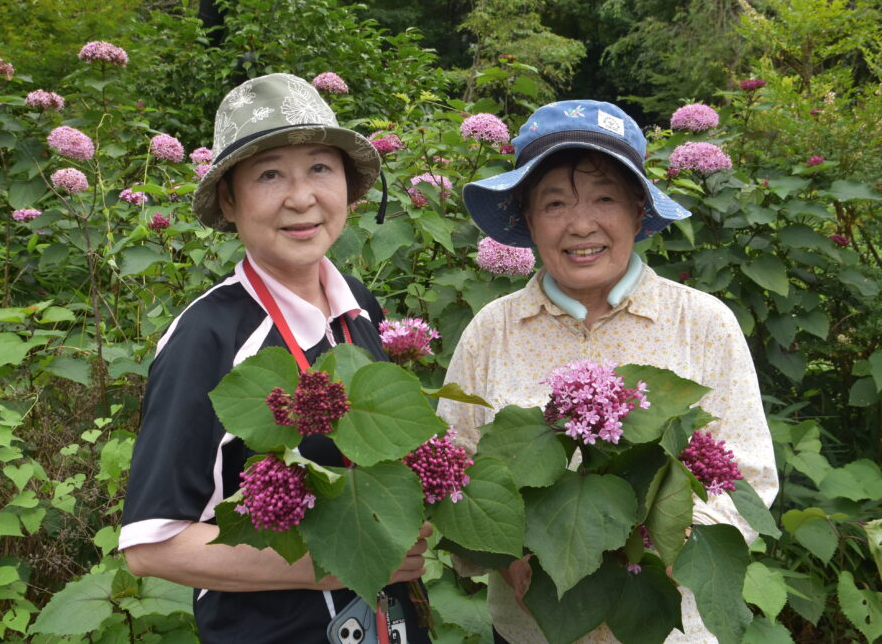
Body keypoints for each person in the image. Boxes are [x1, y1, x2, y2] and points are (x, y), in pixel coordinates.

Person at [438, 100, 779, 643]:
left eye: (605, 198)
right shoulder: (492, 330)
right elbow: (451, 473)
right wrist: (505, 553)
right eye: (554, 203)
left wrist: (670, 541)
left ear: (639, 211)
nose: (580, 224)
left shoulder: (703, 324)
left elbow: (749, 475)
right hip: (532, 628)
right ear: (527, 217)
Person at [119, 73, 432, 643]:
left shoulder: (357, 304)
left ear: (348, 186)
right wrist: (326, 565)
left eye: (319, 167)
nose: (301, 197)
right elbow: (151, 544)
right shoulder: (207, 337)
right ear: (229, 200)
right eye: (269, 174)